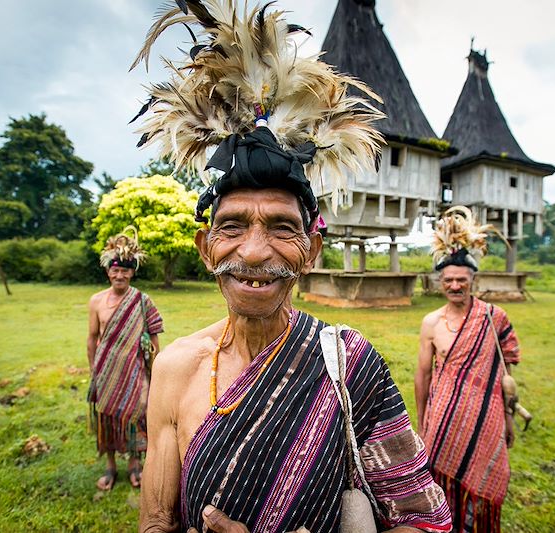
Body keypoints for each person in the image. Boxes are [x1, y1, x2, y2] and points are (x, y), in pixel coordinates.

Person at [130, 1, 451, 531]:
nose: (254, 252)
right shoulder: (174, 369)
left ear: (311, 249)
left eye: (282, 228)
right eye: (231, 226)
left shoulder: (352, 367)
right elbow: (156, 522)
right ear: (205, 247)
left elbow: (424, 520)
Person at [415, 207, 521, 532]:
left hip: (486, 418)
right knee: (441, 486)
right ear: (440, 282)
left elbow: (506, 374)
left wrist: (508, 418)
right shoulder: (431, 322)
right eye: (449, 280)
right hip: (442, 421)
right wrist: (423, 424)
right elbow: (422, 376)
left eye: (462, 280)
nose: (456, 286)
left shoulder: (493, 317)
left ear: (473, 280)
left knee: (483, 483)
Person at [87, 227, 163, 491]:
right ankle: (110, 466)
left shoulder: (142, 301)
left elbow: (154, 340)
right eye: (115, 270)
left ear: (132, 272)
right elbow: (92, 338)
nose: (120, 275)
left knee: (135, 416)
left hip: (135, 372)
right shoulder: (96, 301)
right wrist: (93, 371)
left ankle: (134, 464)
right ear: (108, 271)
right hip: (105, 372)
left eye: (125, 271)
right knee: (106, 417)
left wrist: (156, 370)